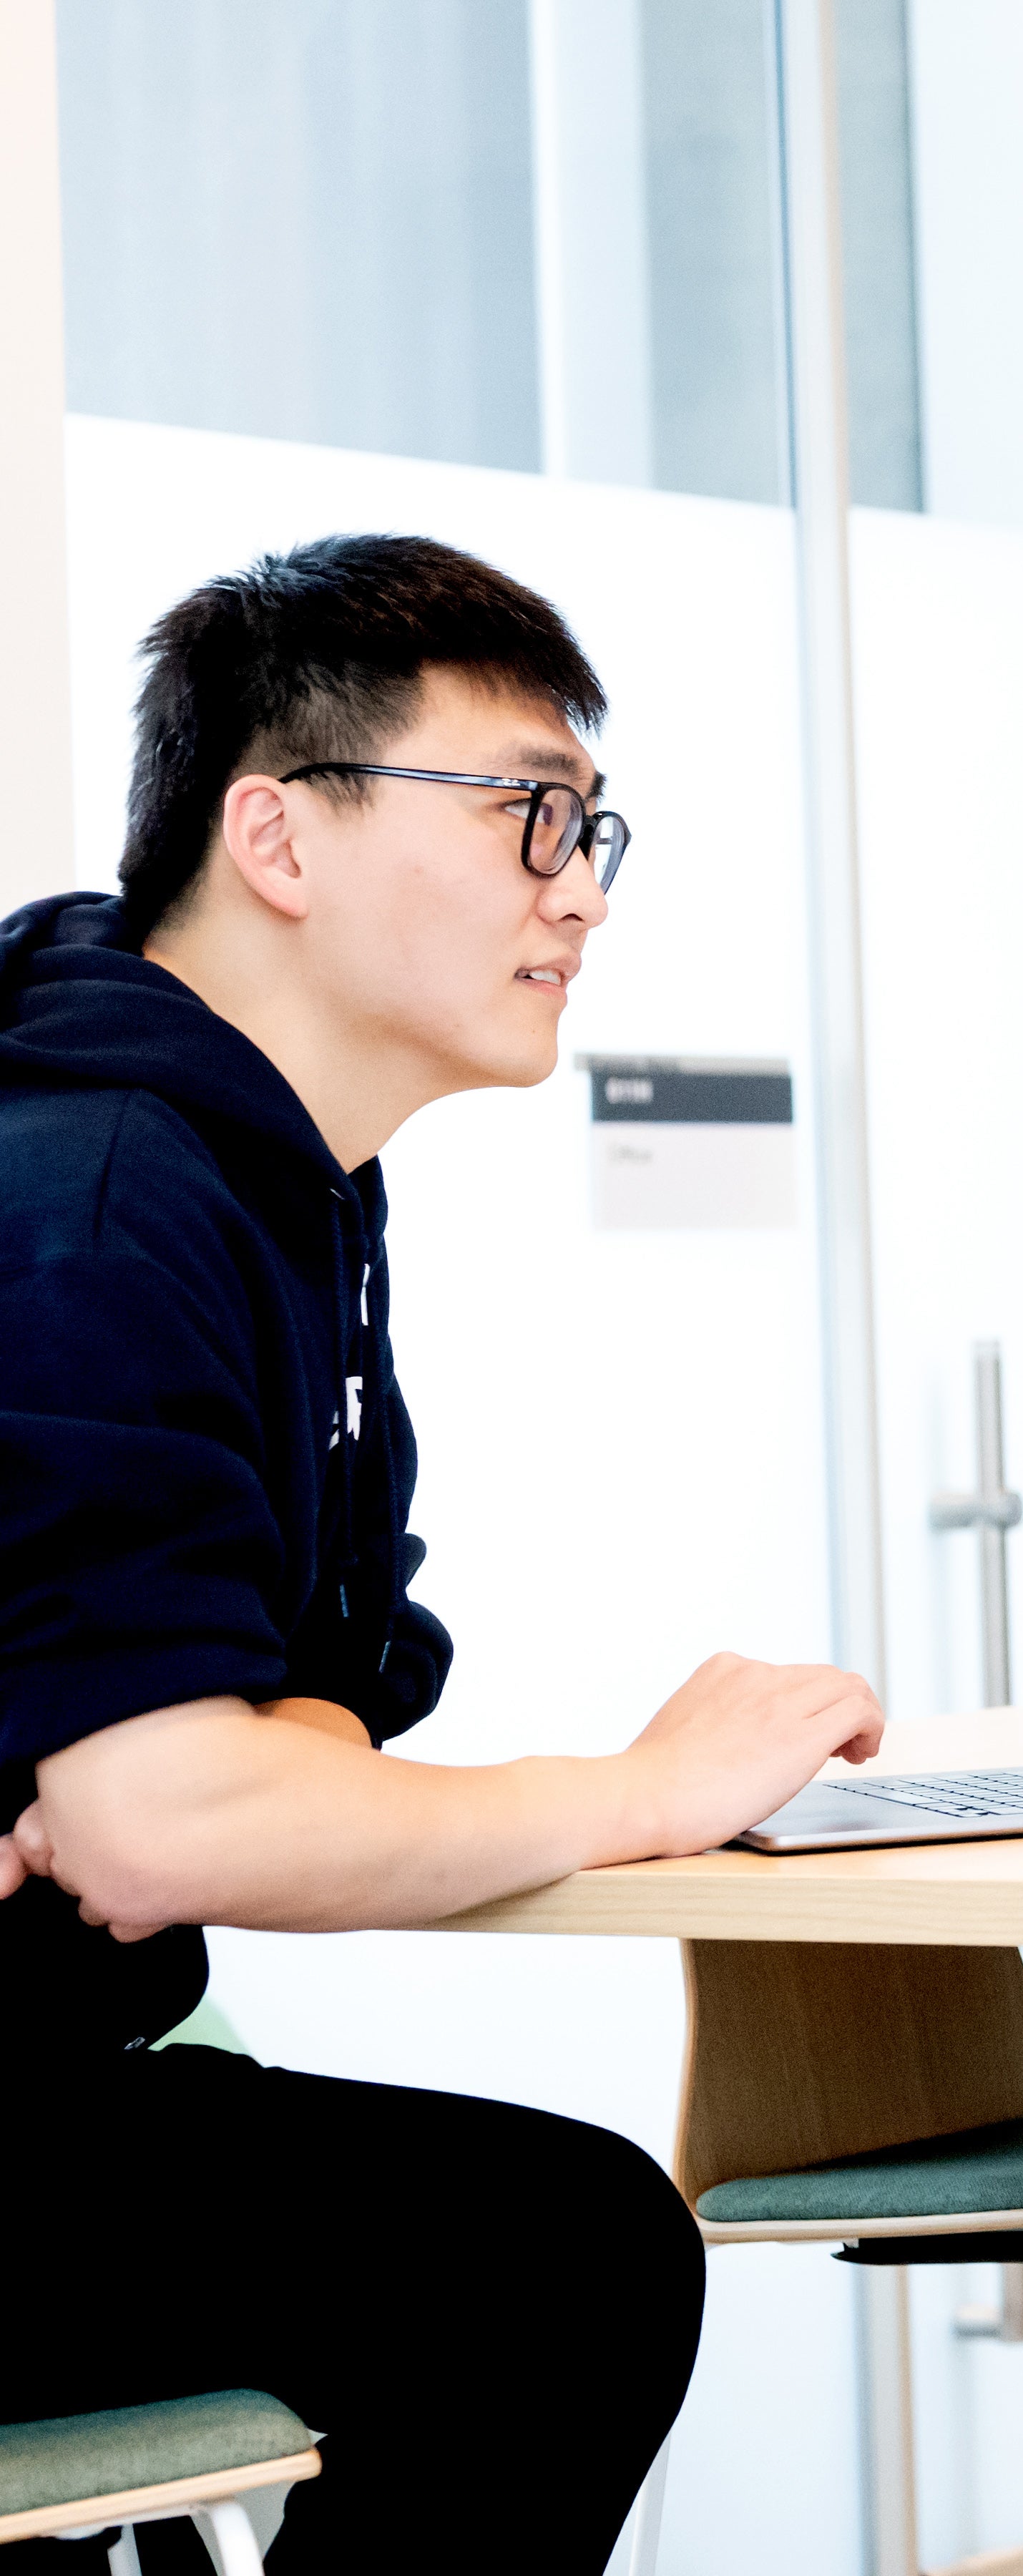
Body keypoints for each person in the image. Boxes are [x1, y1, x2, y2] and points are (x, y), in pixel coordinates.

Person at [0, 535, 886, 2568]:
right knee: (556, 2261)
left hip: (65, 2057)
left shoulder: (284, 1186)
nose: (577, 891)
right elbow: (162, 1830)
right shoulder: (97, 1195)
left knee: (540, 2250)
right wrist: (648, 1794)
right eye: (524, 816)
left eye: (595, 830)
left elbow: (312, 1686)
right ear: (280, 835)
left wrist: (206, 1777)